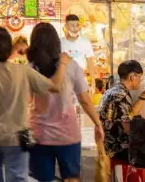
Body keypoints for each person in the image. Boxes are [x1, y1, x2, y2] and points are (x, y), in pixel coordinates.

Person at [0, 27, 64, 182]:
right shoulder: (22, 71)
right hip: (17, 137)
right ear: (9, 47)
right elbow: (55, 87)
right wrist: (64, 64)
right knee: (18, 177)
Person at [27, 22, 103, 182]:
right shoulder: (71, 65)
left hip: (39, 134)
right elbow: (85, 100)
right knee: (71, 179)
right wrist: (98, 123)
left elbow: (25, 101)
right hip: (67, 134)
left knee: (41, 180)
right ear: (57, 42)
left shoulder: (29, 68)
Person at [98, 60, 145, 162]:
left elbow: (128, 115)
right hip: (116, 148)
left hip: (108, 143)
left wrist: (143, 96)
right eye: (139, 77)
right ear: (132, 77)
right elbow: (125, 127)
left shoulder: (114, 91)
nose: (140, 80)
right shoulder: (120, 95)